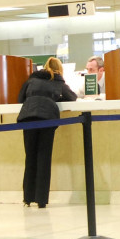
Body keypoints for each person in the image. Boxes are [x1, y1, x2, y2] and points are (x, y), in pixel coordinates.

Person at [17, 56, 77, 208]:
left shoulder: (32, 79)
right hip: (47, 118)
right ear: (59, 69)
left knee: (30, 156)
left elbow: (20, 98)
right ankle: (41, 199)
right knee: (44, 158)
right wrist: (55, 100)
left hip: (28, 116)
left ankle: (28, 198)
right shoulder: (57, 81)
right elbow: (72, 97)